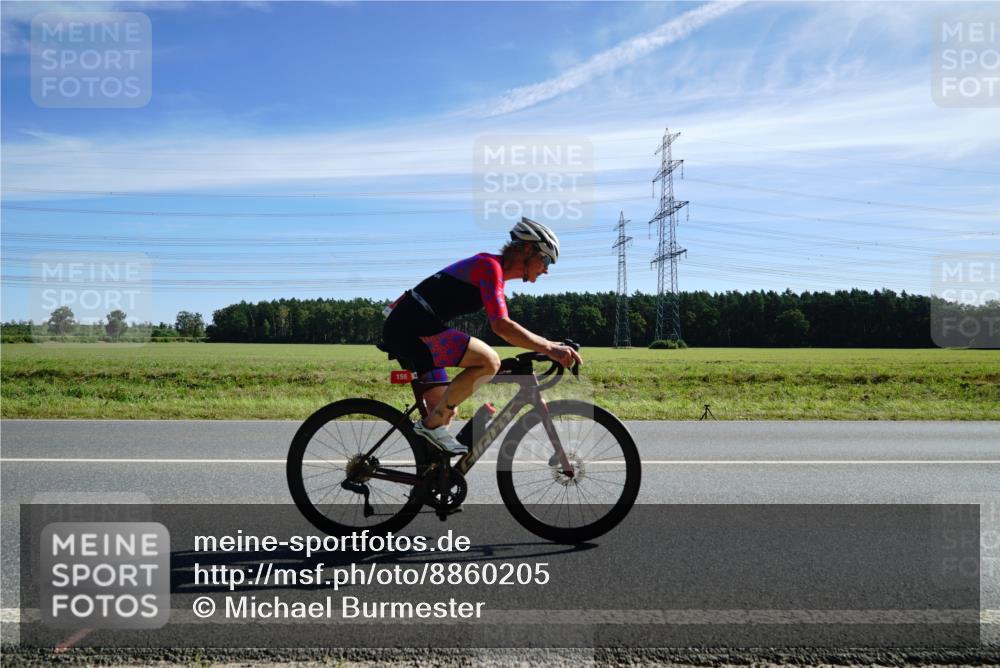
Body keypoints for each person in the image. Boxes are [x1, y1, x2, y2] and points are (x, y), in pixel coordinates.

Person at [381, 217, 583, 455]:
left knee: (445, 410)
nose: (547, 269)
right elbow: (501, 325)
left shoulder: (493, 270)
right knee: (489, 361)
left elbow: (505, 325)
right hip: (411, 325)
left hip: (413, 325)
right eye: (546, 259)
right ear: (528, 249)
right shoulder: (489, 267)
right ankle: (429, 432)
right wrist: (549, 348)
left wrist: (550, 345)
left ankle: (430, 481)